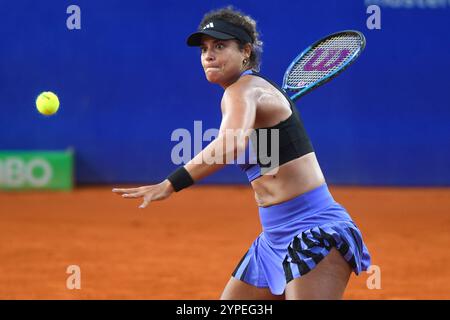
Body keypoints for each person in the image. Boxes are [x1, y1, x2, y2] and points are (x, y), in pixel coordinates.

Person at [112, 6, 371, 300]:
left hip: (313, 231)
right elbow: (271, 166)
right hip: (273, 238)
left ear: (246, 52)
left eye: (220, 46)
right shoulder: (253, 94)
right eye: (204, 49)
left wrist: (170, 183)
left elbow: (229, 145)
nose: (208, 55)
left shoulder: (243, 90)